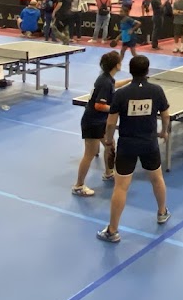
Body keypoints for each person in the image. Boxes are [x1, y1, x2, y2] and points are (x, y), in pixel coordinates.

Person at [98, 55, 171, 242]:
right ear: (147, 71)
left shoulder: (121, 94)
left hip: (127, 145)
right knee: (157, 179)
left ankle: (112, 231)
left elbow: (111, 123)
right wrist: (164, 132)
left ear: (130, 71)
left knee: (121, 187)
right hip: (149, 143)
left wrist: (108, 140)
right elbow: (166, 115)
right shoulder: (156, 90)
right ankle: (162, 212)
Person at [72, 51, 129, 196]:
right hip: (92, 122)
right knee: (89, 154)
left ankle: (109, 173)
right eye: (120, 61)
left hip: (100, 121)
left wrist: (130, 80)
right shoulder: (105, 82)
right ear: (116, 65)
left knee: (110, 145)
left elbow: (114, 85)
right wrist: (116, 109)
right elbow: (99, 105)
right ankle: (78, 186)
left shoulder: (107, 79)